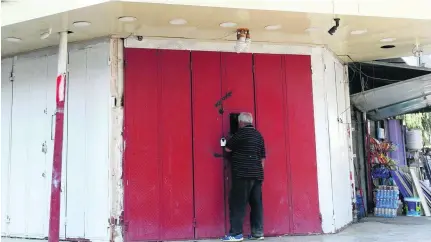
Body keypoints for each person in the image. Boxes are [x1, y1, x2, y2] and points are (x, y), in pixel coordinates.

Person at [222, 112, 266, 242]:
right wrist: (259, 173)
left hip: (242, 174)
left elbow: (228, 149)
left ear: (240, 123)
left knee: (238, 203)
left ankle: (236, 234)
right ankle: (258, 233)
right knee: (256, 203)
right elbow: (263, 157)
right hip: (257, 175)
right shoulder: (259, 135)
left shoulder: (240, 134)